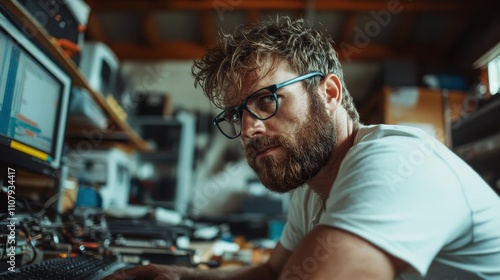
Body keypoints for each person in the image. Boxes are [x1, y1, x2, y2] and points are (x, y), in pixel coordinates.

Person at [109, 16, 500, 279]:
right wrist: (179, 277)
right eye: (236, 114)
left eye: (267, 100)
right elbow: (269, 274)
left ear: (329, 92)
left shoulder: (395, 162)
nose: (247, 129)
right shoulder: (313, 187)